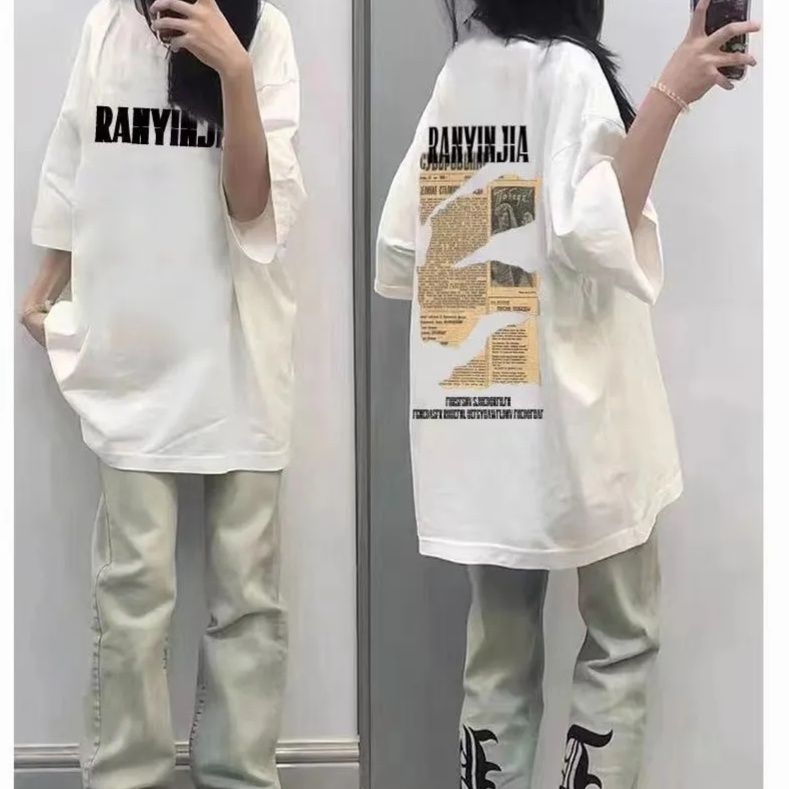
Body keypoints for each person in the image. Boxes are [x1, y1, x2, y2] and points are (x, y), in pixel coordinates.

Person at [375, 0, 758, 785]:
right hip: (585, 422)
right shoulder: (570, 70)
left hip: (486, 421)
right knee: (620, 635)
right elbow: (594, 230)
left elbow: (406, 244)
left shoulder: (460, 72)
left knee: (498, 652)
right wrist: (671, 91)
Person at [19, 0, 305, 786]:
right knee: (133, 591)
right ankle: (125, 775)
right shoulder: (106, 27)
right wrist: (44, 290)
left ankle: (240, 774)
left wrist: (233, 67)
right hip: (131, 355)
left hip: (239, 350)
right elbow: (73, 163)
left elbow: (254, 206)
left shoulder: (263, 31)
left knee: (248, 600)